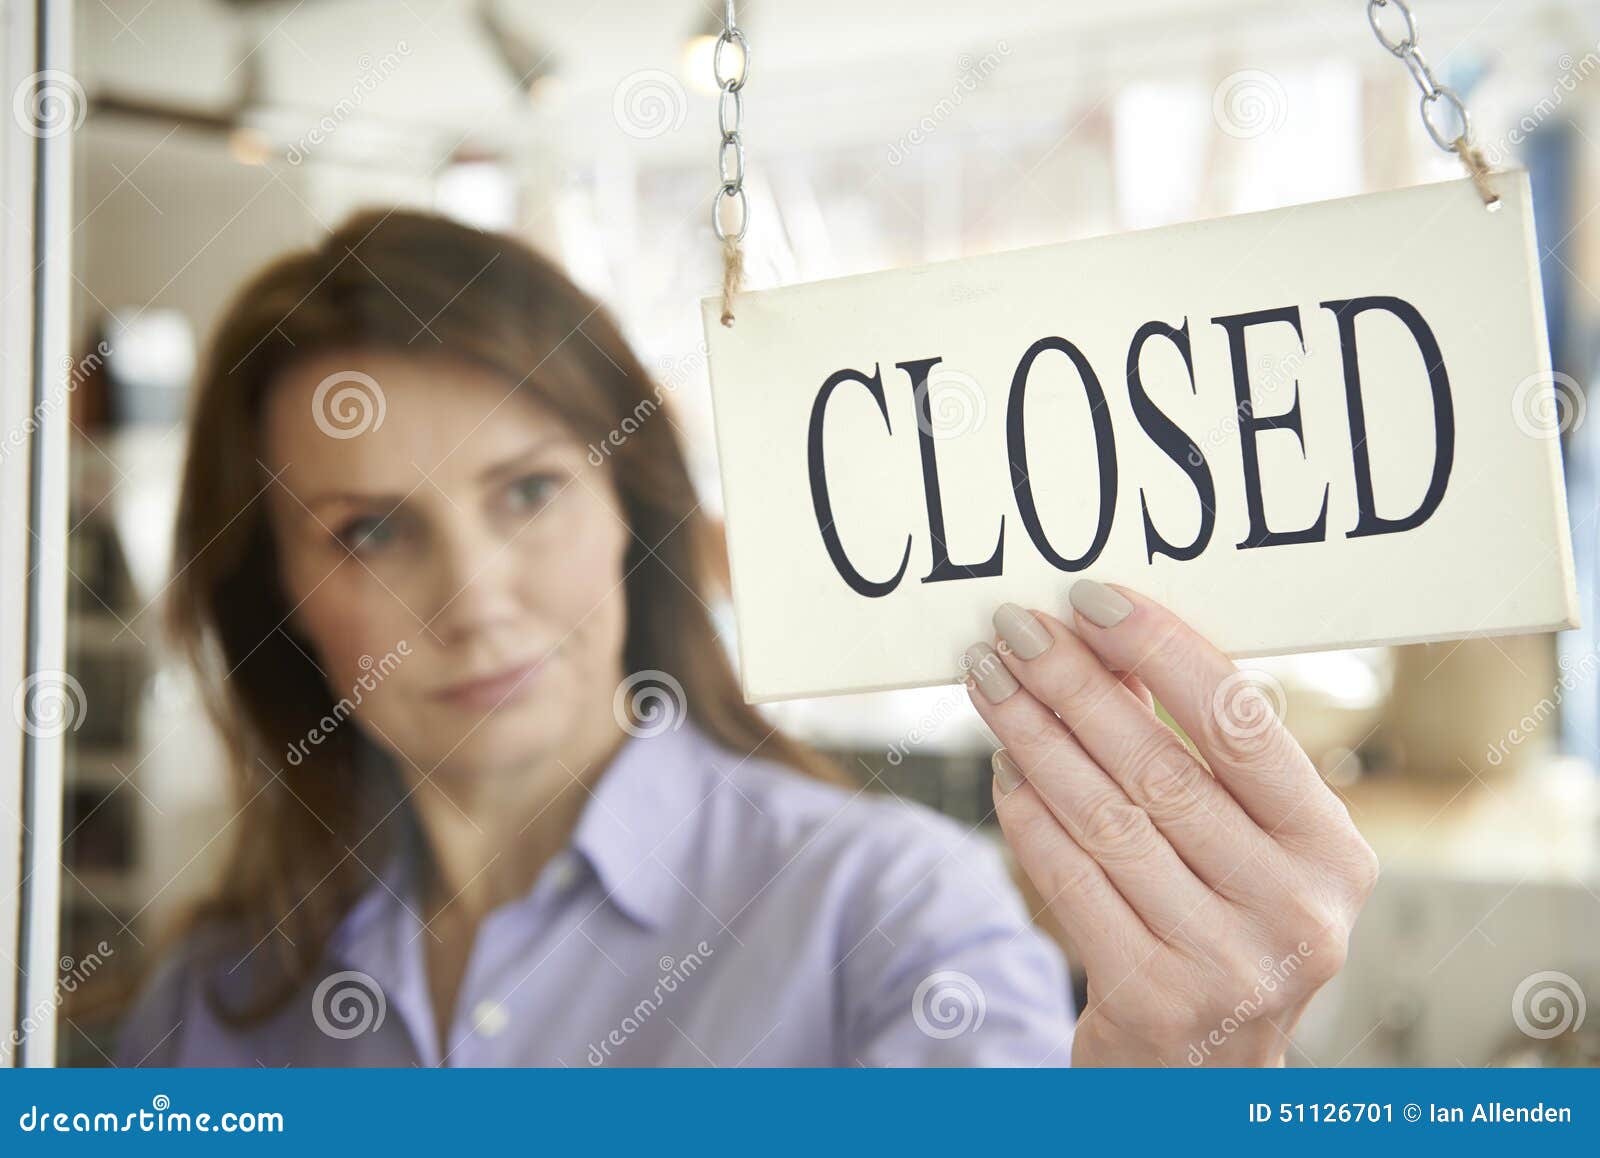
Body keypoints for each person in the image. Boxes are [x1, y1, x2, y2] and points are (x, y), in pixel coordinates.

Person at [114, 210, 1376, 1067]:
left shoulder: (890, 914)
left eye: (528, 491)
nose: (475, 597)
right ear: (270, 593)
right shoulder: (213, 1001)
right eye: (373, 532)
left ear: (632, 506)